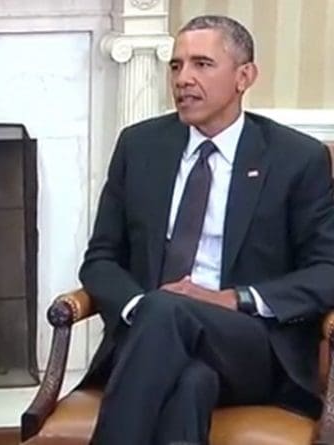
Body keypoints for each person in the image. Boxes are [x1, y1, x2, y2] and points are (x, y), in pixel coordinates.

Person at [80, 14, 334, 445]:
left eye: (202, 64)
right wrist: (141, 307)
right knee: (190, 383)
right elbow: (101, 258)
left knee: (166, 311)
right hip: (154, 336)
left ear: (244, 76)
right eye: (176, 66)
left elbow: (327, 270)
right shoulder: (139, 147)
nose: (183, 79)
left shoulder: (296, 158)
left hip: (253, 345)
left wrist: (232, 299)